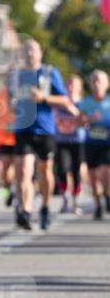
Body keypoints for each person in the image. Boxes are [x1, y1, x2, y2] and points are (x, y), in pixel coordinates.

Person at [10, 38, 72, 231]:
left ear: (40, 53)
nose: (29, 53)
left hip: (44, 129)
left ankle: (45, 206)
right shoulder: (17, 75)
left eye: (33, 50)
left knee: (45, 171)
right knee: (23, 171)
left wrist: (44, 97)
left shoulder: (49, 73)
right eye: (26, 49)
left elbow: (64, 100)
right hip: (23, 129)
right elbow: (10, 99)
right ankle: (26, 211)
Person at [77, 69, 110, 220]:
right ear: (90, 85)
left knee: (105, 172)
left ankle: (107, 195)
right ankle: (97, 203)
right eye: (94, 81)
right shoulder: (85, 103)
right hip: (91, 144)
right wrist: (88, 119)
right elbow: (77, 122)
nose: (97, 84)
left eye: (100, 81)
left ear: (106, 84)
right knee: (93, 177)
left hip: (107, 144)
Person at [55, 74, 86, 215]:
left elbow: (85, 121)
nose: (70, 87)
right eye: (68, 84)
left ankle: (75, 200)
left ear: (79, 88)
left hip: (78, 141)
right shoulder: (59, 102)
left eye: (73, 84)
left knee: (76, 170)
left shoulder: (83, 103)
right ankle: (65, 198)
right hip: (62, 141)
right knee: (62, 168)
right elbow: (54, 119)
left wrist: (74, 111)